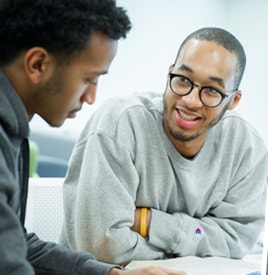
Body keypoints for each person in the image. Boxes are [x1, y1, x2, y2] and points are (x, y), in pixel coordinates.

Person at [0, 0, 182, 274]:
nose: (91, 97)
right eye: (89, 79)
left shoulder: (13, 132)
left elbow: (18, 247)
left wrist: (111, 274)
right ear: (37, 64)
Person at [62, 27, 268, 265]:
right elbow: (104, 249)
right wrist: (193, 248)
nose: (190, 100)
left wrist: (146, 222)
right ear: (169, 74)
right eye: (183, 80)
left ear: (233, 100)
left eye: (211, 91)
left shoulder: (247, 148)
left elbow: (236, 240)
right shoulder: (120, 124)